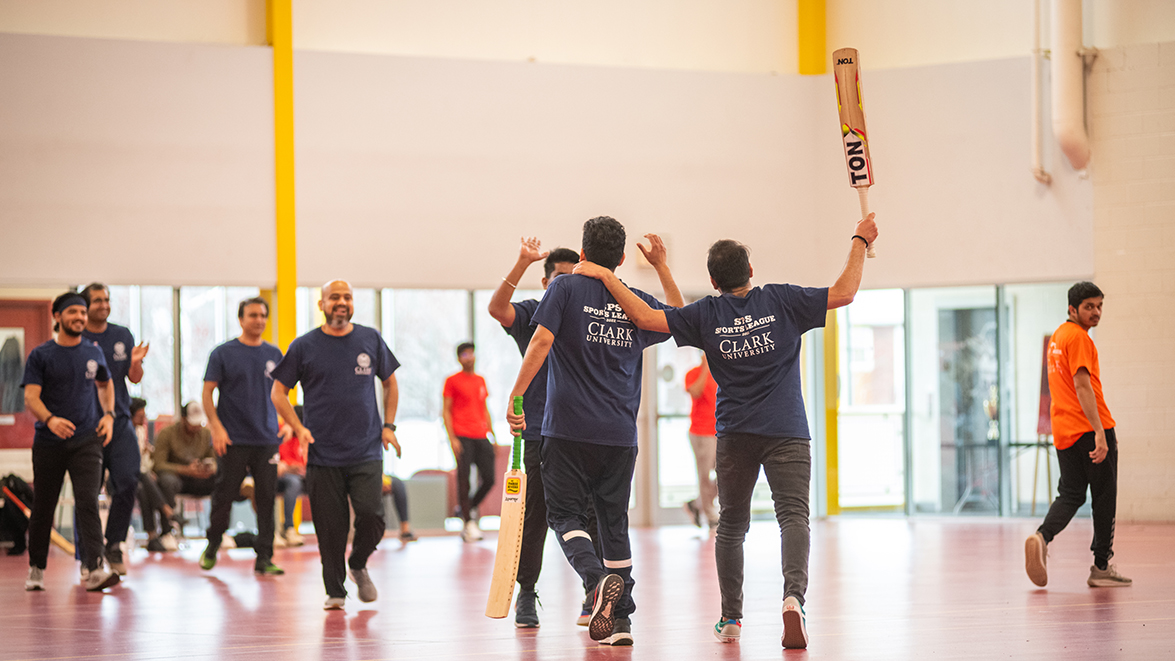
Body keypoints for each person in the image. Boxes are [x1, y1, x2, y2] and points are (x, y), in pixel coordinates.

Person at [574, 213, 878, 648]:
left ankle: (731, 618)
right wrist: (859, 240)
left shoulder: (707, 314)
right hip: (787, 430)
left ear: (713, 281)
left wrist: (610, 272)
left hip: (734, 434)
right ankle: (794, 599)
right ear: (750, 272)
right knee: (793, 517)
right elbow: (845, 292)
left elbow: (645, 317)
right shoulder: (781, 300)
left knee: (732, 526)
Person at [506, 217, 683, 646]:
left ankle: (595, 579)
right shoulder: (635, 300)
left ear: (582, 254)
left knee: (565, 516)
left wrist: (515, 397)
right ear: (622, 258)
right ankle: (620, 623)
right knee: (612, 522)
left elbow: (541, 342)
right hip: (620, 434)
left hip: (567, 431)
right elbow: (680, 317)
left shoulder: (563, 288)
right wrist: (661, 267)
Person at [271, 279, 401, 611]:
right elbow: (278, 393)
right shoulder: (304, 346)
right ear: (322, 305)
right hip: (323, 453)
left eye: (347, 297)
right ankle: (336, 591)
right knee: (330, 528)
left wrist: (388, 426)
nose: (341, 302)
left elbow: (390, 383)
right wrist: (298, 427)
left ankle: (358, 563)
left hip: (366, 449)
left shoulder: (369, 338)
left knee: (372, 516)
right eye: (334, 298)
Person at [1025, 282, 1131, 589]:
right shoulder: (1079, 338)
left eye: (1099, 306)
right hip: (1090, 428)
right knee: (1104, 497)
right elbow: (1083, 386)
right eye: (1089, 307)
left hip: (1064, 431)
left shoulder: (1057, 337)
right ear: (1073, 309)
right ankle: (1101, 566)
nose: (1096, 312)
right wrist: (1100, 432)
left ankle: (1042, 537)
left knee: (1071, 494)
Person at [21, 291, 120, 591]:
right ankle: (36, 567)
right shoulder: (41, 355)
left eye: (82, 312)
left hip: (87, 439)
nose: (79, 317)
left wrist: (109, 415)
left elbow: (106, 384)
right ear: (58, 316)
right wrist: (50, 419)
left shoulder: (94, 352)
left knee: (89, 501)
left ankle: (94, 568)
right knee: (44, 505)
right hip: (49, 442)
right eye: (72, 312)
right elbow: (30, 397)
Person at [199, 297, 287, 575]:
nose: (258, 320)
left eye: (263, 315)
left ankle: (265, 557)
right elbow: (207, 392)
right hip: (233, 439)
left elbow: (281, 393)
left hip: (266, 440)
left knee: (266, 499)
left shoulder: (274, 354)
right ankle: (212, 545)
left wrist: (284, 420)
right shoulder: (223, 353)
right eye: (252, 315)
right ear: (241, 319)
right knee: (224, 496)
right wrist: (216, 427)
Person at [79, 283, 149, 575]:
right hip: (86, 423)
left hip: (119, 420)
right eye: (97, 300)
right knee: (87, 493)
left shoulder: (122, 335)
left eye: (106, 300)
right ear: (86, 306)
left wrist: (135, 363)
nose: (104, 305)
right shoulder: (77, 337)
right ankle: (89, 557)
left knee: (129, 480)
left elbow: (134, 379)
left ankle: (114, 544)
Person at [442, 342, 495, 542]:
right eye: (465, 354)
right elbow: (446, 410)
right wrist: (452, 438)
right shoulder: (451, 381)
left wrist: (493, 435)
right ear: (459, 358)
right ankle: (468, 522)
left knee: (490, 479)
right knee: (463, 479)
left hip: (481, 435)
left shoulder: (481, 380)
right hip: (462, 435)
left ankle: (467, 507)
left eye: (472, 353)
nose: (469, 357)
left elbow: (484, 408)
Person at [131, 397, 178, 552]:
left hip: (139, 477)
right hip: (121, 477)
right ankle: (168, 511)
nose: (144, 419)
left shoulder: (140, 431)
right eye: (140, 416)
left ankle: (152, 536)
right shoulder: (123, 432)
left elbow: (142, 463)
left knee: (145, 488)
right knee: (144, 479)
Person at [154, 402, 217, 509]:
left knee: (223, 481)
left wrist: (208, 468)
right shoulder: (167, 433)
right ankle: (171, 520)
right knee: (167, 482)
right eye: (193, 423)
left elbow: (214, 459)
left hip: (200, 479)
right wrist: (185, 470)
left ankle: (218, 522)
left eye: (199, 423)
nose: (197, 427)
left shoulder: (206, 434)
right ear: (183, 420)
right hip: (178, 478)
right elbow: (159, 465)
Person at [683, 353, 718, 529]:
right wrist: (705, 368)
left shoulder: (721, 373)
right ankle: (711, 517)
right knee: (705, 476)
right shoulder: (693, 373)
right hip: (701, 432)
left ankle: (697, 504)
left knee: (727, 476)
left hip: (721, 432)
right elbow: (696, 392)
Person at [275, 415, 307, 547]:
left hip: (301, 476)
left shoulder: (302, 437)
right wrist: (289, 467)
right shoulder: (279, 433)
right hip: (281, 477)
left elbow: (303, 464)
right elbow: (278, 466)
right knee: (293, 483)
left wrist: (291, 466)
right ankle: (287, 528)